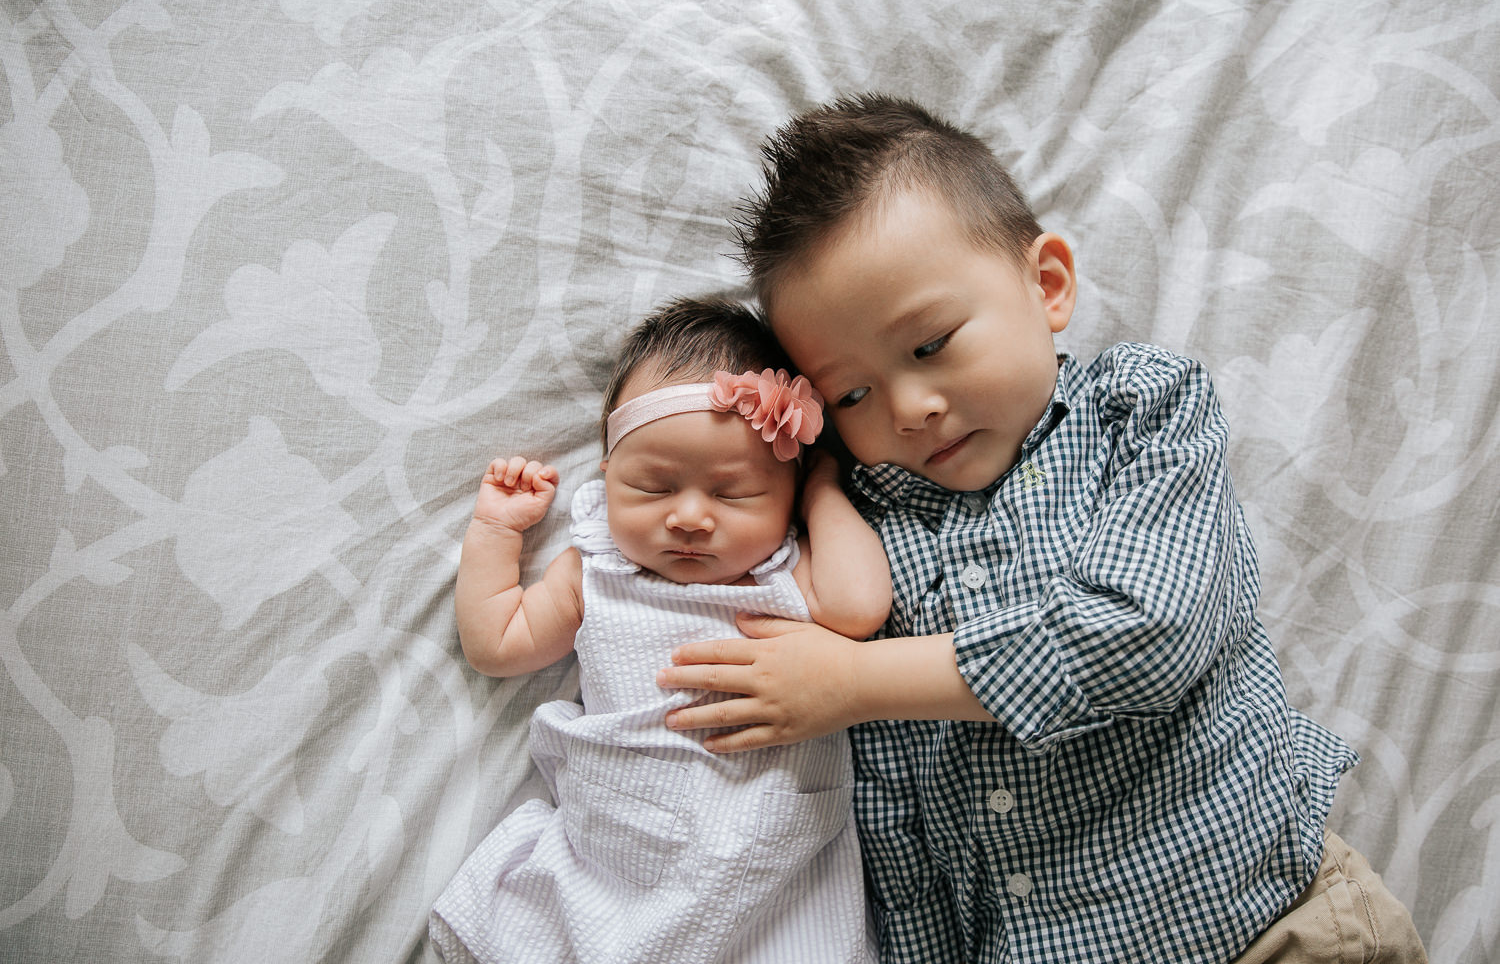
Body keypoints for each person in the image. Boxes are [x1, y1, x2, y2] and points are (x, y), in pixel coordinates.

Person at [657, 95, 1429, 963]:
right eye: (852, 395)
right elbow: (892, 814)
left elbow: (1147, 632)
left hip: (1269, 920)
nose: (912, 409)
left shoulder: (1141, 410)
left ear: (1048, 284)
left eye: (932, 344)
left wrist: (858, 679)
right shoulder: (861, 531)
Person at [428, 296, 890, 964]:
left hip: (770, 863)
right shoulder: (600, 566)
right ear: (609, 477)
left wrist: (824, 488)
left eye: (734, 493)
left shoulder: (787, 567)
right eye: (653, 487)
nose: (691, 517)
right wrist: (498, 532)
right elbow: (498, 642)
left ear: (786, 494)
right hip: (620, 849)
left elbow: (861, 607)